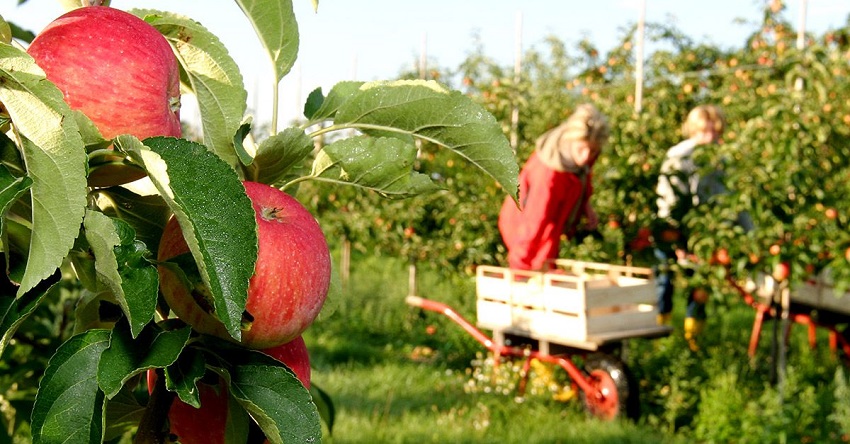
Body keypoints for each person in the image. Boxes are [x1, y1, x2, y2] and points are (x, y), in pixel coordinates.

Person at [498, 104, 609, 271]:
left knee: (547, 271)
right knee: (536, 276)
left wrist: (585, 205)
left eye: (593, 151)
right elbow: (533, 224)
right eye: (582, 148)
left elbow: (581, 180)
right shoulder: (548, 175)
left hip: (549, 227)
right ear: (571, 140)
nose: (587, 156)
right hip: (525, 229)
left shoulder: (577, 158)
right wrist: (519, 272)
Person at [654, 104, 726, 351]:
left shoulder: (721, 159)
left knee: (701, 282)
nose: (711, 137)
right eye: (705, 131)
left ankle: (693, 338)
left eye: (715, 131)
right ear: (694, 130)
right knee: (664, 279)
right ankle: (659, 332)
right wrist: (675, 240)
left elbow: (731, 198)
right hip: (672, 226)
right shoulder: (680, 156)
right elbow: (670, 199)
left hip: (703, 231)